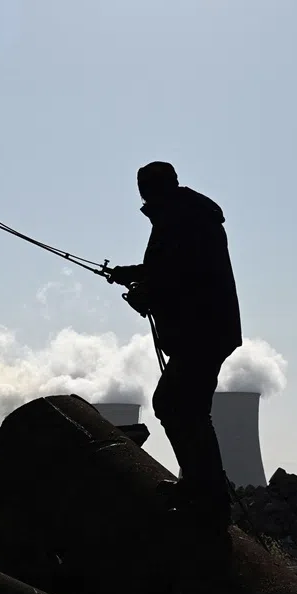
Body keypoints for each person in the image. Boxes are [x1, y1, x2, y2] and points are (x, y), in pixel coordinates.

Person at [108, 161, 242, 531]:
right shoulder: (186, 214)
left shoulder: (181, 218)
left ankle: (209, 497)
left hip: (203, 331)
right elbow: (172, 265)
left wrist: (145, 294)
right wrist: (134, 275)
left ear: (151, 188)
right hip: (206, 330)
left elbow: (182, 272)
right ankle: (201, 489)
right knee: (186, 407)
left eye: (143, 189)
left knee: (177, 405)